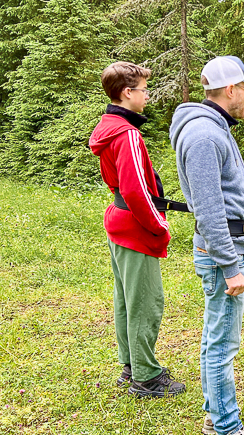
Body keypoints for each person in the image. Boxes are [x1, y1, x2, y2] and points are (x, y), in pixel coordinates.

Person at [169, 56, 244, 435]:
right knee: (221, 344)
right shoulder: (204, 136)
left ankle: (218, 413)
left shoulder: (212, 128)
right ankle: (228, 431)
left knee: (217, 339)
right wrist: (231, 266)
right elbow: (210, 211)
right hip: (222, 253)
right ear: (230, 89)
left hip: (229, 247)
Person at [89, 62, 186, 398]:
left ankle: (132, 365)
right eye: (144, 90)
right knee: (145, 301)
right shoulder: (127, 133)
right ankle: (146, 377)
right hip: (133, 225)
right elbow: (135, 189)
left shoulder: (109, 125)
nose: (147, 96)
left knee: (127, 299)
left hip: (118, 221)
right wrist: (159, 225)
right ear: (127, 92)